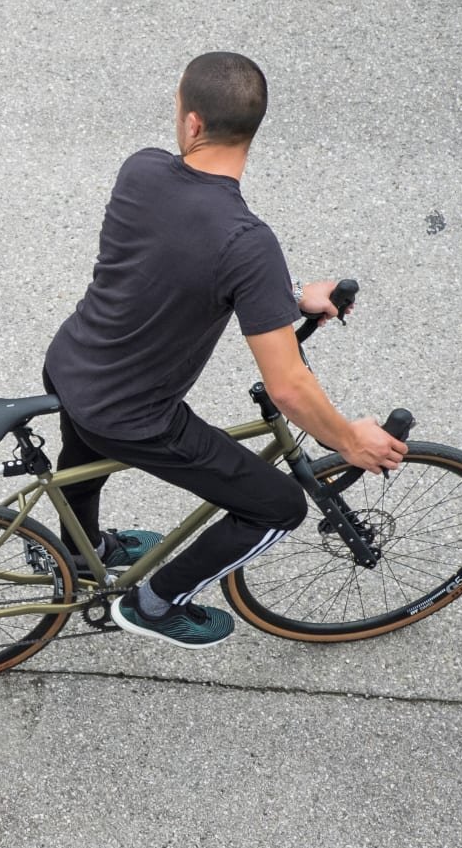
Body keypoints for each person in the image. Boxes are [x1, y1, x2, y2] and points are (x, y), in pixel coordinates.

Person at [43, 52, 406, 648]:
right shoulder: (247, 242)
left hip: (71, 365)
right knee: (279, 505)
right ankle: (154, 604)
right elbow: (288, 386)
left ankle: (83, 557)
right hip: (132, 415)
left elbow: (174, 264)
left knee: (80, 470)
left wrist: (286, 296)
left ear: (190, 123)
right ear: (253, 130)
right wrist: (349, 439)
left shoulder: (142, 170)